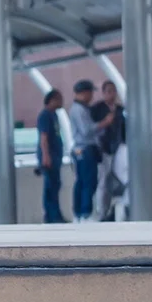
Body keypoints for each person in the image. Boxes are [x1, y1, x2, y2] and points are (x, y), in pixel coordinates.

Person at [64, 79, 100, 219]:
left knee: (82, 181)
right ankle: (85, 212)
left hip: (81, 150)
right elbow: (86, 131)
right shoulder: (79, 110)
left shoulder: (82, 108)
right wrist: (103, 123)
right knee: (88, 181)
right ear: (85, 92)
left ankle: (79, 212)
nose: (92, 96)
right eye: (90, 92)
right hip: (84, 149)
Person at [92, 85, 130, 221]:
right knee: (103, 181)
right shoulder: (97, 109)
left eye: (114, 91)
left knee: (121, 179)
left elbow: (124, 128)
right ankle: (102, 210)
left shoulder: (119, 110)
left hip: (118, 148)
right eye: (108, 91)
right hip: (104, 149)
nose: (112, 94)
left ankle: (117, 209)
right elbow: (93, 129)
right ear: (103, 93)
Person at [35, 87, 66, 223]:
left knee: (55, 185)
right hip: (50, 157)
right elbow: (44, 137)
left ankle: (55, 214)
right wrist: (46, 156)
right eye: (59, 99)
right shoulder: (45, 116)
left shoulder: (54, 115)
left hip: (55, 156)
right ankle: (51, 216)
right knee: (50, 186)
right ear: (52, 100)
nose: (62, 102)